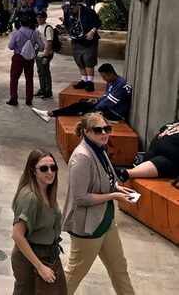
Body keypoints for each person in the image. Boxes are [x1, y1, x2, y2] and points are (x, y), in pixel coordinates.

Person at [62, 112, 135, 295]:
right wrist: (113, 196)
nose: (104, 133)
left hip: (105, 221)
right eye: (98, 130)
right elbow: (81, 198)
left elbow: (105, 179)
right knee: (74, 274)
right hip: (88, 227)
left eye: (107, 129)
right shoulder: (82, 157)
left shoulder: (99, 148)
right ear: (86, 132)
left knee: (119, 270)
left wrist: (117, 187)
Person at [10, 150, 66, 294]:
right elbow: (17, 235)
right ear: (33, 171)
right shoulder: (30, 198)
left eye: (53, 168)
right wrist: (40, 267)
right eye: (43, 168)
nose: (50, 172)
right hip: (31, 259)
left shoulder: (48, 191)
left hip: (49, 254)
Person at [32, 64, 133, 124]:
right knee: (81, 104)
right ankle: (50, 114)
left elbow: (106, 104)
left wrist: (92, 108)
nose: (103, 79)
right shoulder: (112, 81)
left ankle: (50, 114)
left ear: (111, 74)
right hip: (108, 108)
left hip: (115, 114)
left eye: (104, 76)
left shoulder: (121, 85)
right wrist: (95, 101)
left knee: (83, 110)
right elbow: (105, 97)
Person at [7, 18, 45, 107]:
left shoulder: (16, 33)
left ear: (20, 23)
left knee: (14, 78)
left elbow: (10, 47)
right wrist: (32, 49)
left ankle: (13, 98)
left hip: (18, 57)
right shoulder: (34, 32)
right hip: (29, 58)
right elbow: (41, 47)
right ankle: (29, 100)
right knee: (29, 78)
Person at [67, 2, 101, 92]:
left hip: (88, 40)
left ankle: (90, 82)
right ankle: (84, 80)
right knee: (79, 60)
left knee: (88, 60)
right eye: (68, 8)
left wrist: (92, 31)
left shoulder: (88, 11)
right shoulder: (68, 11)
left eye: (72, 8)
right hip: (76, 40)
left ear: (77, 5)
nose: (70, 10)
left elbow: (97, 22)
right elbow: (66, 23)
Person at [34, 11, 55, 100]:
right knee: (40, 72)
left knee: (46, 72)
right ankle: (42, 89)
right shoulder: (39, 27)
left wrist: (46, 56)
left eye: (40, 17)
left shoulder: (48, 28)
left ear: (45, 18)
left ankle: (48, 91)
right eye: (37, 17)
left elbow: (49, 42)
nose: (38, 19)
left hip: (46, 54)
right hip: (39, 53)